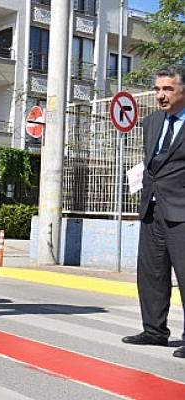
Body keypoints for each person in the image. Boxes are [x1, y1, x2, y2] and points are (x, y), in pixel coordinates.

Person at [122, 65, 185, 359]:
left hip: (182, 211)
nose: (160, 95)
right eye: (158, 89)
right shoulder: (151, 122)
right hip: (152, 208)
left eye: (167, 89)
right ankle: (154, 331)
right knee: (151, 273)